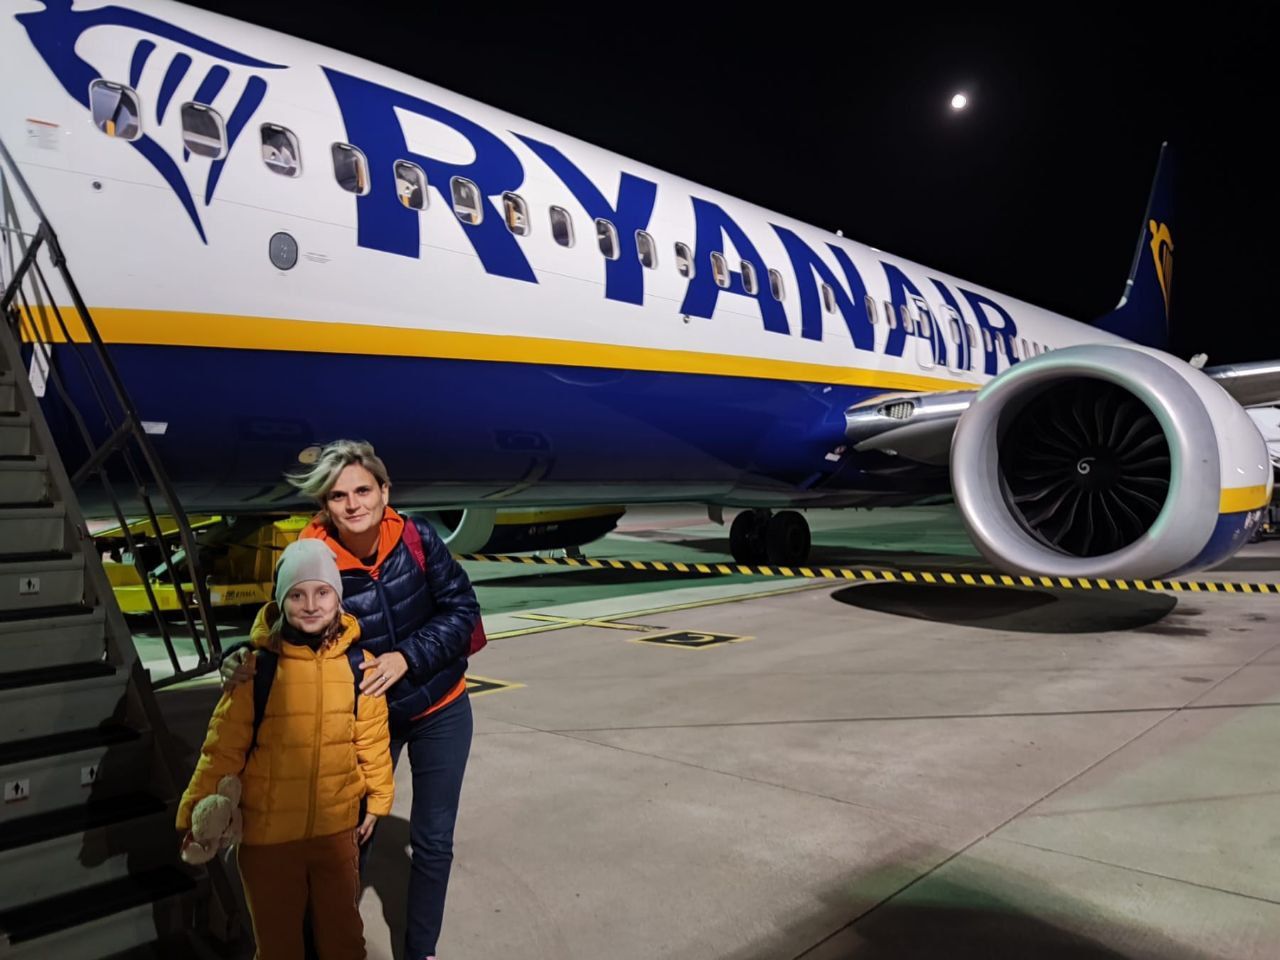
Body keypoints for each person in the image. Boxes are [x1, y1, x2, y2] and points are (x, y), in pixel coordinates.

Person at [223, 440, 480, 960]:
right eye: (338, 496)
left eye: (363, 490)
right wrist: (238, 656)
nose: (353, 504)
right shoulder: (312, 554)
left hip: (441, 708)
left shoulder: (417, 538)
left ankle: (421, 951)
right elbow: (281, 624)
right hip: (365, 718)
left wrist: (406, 657)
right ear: (325, 505)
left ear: (385, 491)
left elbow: (462, 611)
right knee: (348, 838)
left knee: (433, 841)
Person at [179, 538, 394, 960]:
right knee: (279, 947)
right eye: (297, 595)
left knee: (344, 942)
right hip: (268, 840)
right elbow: (222, 747)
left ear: (338, 598)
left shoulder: (359, 666)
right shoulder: (254, 669)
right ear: (279, 602)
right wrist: (194, 810)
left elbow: (372, 740)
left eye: (322, 592)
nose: (311, 605)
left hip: (335, 833)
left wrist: (378, 800)